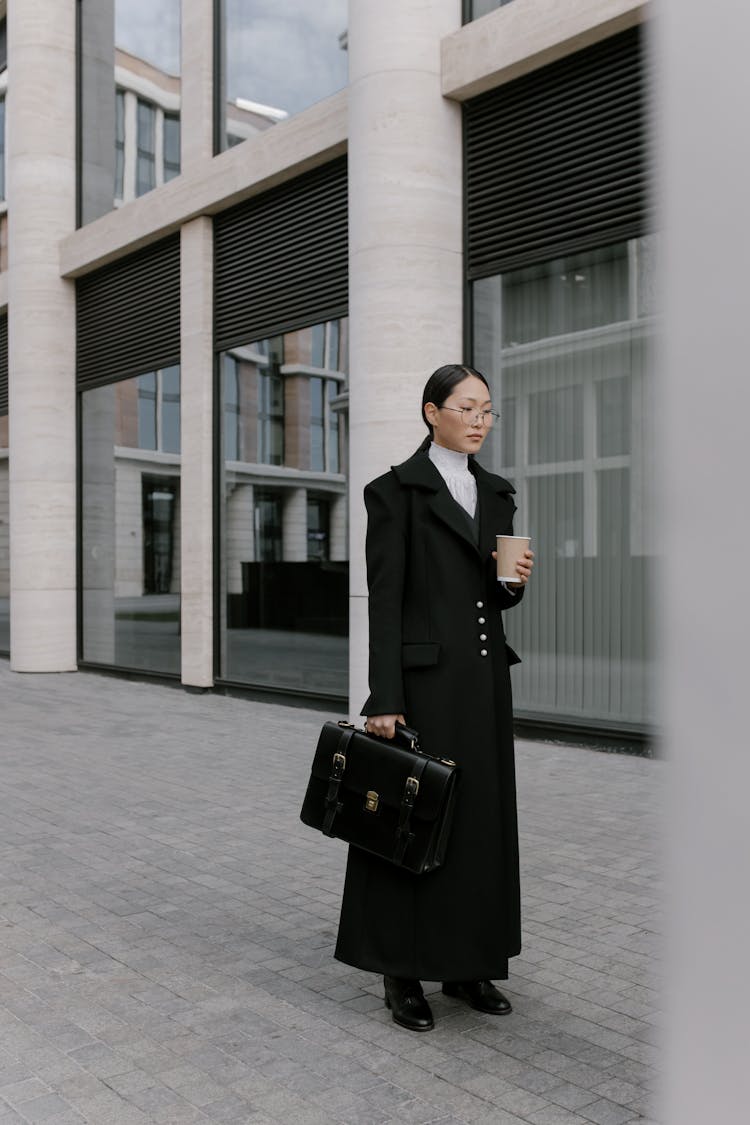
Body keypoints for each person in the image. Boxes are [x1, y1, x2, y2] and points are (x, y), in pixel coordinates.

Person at [334, 363, 534, 1031]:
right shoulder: (395, 492)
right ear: (432, 412)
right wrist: (382, 697)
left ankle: (469, 965)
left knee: (478, 826)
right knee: (411, 820)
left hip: (481, 685)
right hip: (421, 686)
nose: (480, 419)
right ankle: (401, 973)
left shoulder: (499, 492)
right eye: (467, 406)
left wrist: (513, 584)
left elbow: (498, 594)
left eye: (487, 410)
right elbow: (384, 601)